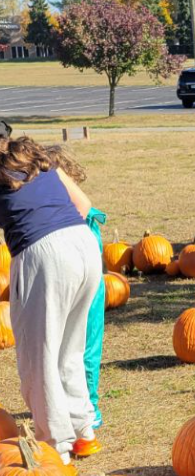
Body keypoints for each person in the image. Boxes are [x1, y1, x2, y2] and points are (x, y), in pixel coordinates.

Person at [0, 133, 102, 463]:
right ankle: (83, 432)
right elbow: (84, 206)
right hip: (83, 245)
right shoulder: (42, 161)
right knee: (69, 350)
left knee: (37, 358)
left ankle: (55, 447)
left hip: (43, 255)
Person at [43, 144, 106, 429]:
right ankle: (66, 403)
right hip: (67, 284)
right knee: (62, 348)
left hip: (88, 291)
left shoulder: (83, 217)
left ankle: (89, 406)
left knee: (85, 348)